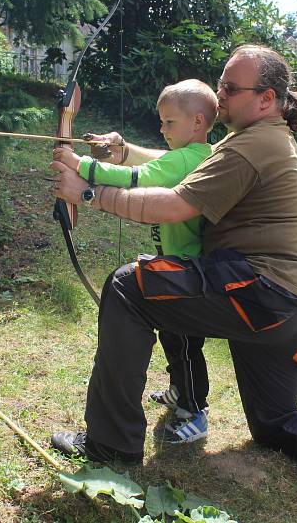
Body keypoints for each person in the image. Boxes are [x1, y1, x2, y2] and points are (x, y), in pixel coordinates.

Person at [49, 45, 297, 521]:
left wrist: (88, 192)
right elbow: (193, 161)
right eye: (221, 85)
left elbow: (174, 203)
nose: (221, 95)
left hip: (257, 293)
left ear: (266, 98)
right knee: (274, 423)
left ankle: (111, 444)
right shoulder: (262, 140)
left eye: (231, 88)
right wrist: (125, 151)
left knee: (130, 287)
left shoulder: (253, 145)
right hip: (295, 314)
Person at [53, 79, 216, 443]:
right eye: (161, 121)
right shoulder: (188, 155)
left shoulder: (191, 158)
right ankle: (179, 392)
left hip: (193, 271)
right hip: (178, 265)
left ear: (199, 122)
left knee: (186, 344)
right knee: (174, 336)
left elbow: (137, 178)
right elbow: (143, 163)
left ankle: (195, 409)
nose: (162, 129)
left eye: (169, 122)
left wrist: (82, 167)